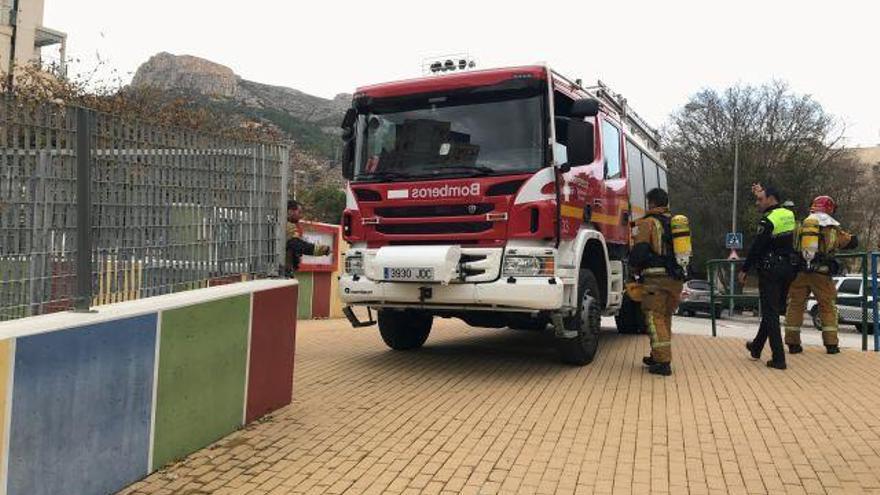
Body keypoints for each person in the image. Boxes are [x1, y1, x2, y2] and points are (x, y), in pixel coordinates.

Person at [784, 196, 858, 354]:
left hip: (800, 273)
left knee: (795, 306)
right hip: (821, 275)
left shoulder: (802, 225)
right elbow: (850, 242)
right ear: (830, 209)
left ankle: (793, 343)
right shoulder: (831, 227)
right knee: (827, 307)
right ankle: (831, 345)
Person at [629, 188, 687, 376]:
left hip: (656, 279)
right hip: (675, 279)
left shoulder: (648, 223)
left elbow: (640, 252)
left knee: (654, 318)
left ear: (652, 203)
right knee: (665, 318)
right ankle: (657, 355)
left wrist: (632, 265)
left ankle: (663, 363)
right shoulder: (674, 224)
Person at [738, 184, 797, 370]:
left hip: (771, 269)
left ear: (771, 199)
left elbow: (757, 247)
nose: (757, 203)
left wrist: (744, 269)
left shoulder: (767, 221)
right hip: (789, 268)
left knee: (770, 313)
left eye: (760, 199)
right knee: (772, 310)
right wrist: (759, 190)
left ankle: (779, 358)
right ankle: (756, 347)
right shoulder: (788, 214)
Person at [284, 199, 331, 277]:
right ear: (290, 211)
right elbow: (298, 245)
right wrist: (322, 250)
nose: (300, 216)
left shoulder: (285, 224)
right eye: (299, 212)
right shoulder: (288, 227)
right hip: (284, 271)